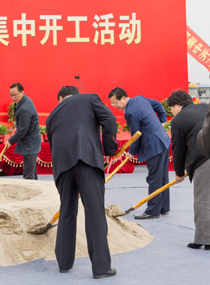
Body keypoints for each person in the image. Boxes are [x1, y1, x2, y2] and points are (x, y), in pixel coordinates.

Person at [46, 86, 118, 279]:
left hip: (62, 168)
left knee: (67, 211)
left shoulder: (51, 115)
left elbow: (53, 145)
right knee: (94, 213)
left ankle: (64, 262)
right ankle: (101, 268)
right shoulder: (89, 98)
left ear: (60, 98)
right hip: (87, 160)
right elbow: (110, 119)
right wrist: (109, 150)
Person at [108, 87, 171, 219]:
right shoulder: (140, 99)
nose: (114, 106)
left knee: (154, 178)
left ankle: (152, 211)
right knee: (162, 177)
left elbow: (136, 134)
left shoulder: (130, 112)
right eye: (112, 104)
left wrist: (132, 152)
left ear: (123, 98)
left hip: (154, 146)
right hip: (163, 140)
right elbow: (157, 104)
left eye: (115, 103)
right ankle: (163, 207)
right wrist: (162, 120)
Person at [167, 89, 210, 249]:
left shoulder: (179, 120)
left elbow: (178, 149)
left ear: (177, 105)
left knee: (203, 200)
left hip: (204, 158)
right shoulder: (206, 107)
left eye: (171, 108)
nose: (172, 112)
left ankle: (205, 239)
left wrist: (179, 173)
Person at [7, 83, 41, 180]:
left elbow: (22, 130)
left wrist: (10, 141)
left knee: (29, 174)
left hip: (31, 142)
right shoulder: (23, 101)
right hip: (30, 140)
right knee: (32, 171)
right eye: (11, 95)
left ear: (22, 92)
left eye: (15, 95)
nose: (13, 98)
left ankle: (30, 188)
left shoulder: (25, 108)